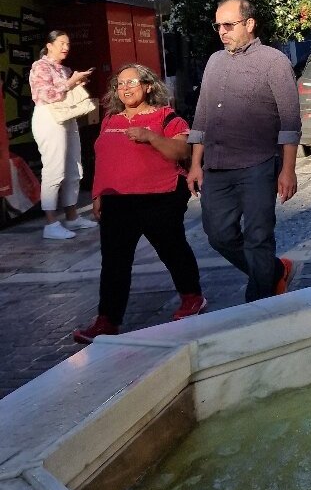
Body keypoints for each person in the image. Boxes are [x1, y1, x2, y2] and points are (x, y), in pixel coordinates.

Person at [73, 65, 206, 344]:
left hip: (160, 196)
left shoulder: (165, 116)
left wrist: (151, 137)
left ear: (147, 86)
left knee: (171, 249)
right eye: (120, 84)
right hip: (117, 199)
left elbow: (182, 150)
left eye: (132, 82)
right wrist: (98, 194)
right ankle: (107, 320)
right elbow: (104, 159)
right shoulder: (110, 119)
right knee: (114, 262)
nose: (125, 88)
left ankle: (192, 298)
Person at [187, 0, 301, 300]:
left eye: (229, 24)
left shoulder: (274, 62)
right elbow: (202, 115)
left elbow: (290, 122)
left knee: (258, 238)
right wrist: (195, 164)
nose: (222, 31)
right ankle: (274, 272)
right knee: (218, 235)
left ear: (249, 24)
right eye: (218, 26)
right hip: (217, 166)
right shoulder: (214, 62)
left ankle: (259, 307)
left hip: (258, 165)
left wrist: (288, 170)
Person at [28, 30, 97, 241]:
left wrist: (76, 82)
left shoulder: (64, 69)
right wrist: (69, 83)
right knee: (54, 169)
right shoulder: (39, 66)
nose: (66, 47)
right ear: (49, 45)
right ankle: (50, 223)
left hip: (68, 117)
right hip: (49, 118)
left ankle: (72, 216)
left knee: (73, 168)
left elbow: (64, 93)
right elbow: (44, 95)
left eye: (68, 43)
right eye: (61, 43)